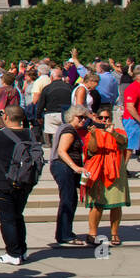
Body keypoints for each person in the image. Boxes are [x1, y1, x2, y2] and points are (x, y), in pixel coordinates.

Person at [0, 105, 42, 266]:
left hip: (2, 183)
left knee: (7, 219)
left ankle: (13, 253)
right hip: (25, 181)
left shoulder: (0, 136)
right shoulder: (30, 133)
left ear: (5, 117)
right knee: (18, 216)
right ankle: (22, 250)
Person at [82, 106, 129, 246]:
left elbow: (124, 142)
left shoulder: (118, 132)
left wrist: (113, 133)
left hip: (115, 173)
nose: (104, 120)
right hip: (98, 173)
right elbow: (92, 149)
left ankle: (114, 234)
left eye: (106, 118)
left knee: (116, 205)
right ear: (96, 119)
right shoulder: (91, 133)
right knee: (96, 206)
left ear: (111, 119)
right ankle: (92, 233)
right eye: (101, 118)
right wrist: (95, 135)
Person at [50, 105, 93, 248]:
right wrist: (75, 167)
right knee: (68, 200)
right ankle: (64, 235)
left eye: (85, 117)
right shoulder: (68, 130)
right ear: (71, 116)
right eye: (80, 117)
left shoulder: (69, 129)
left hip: (63, 167)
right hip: (63, 167)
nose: (83, 120)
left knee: (70, 199)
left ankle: (64, 232)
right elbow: (62, 151)